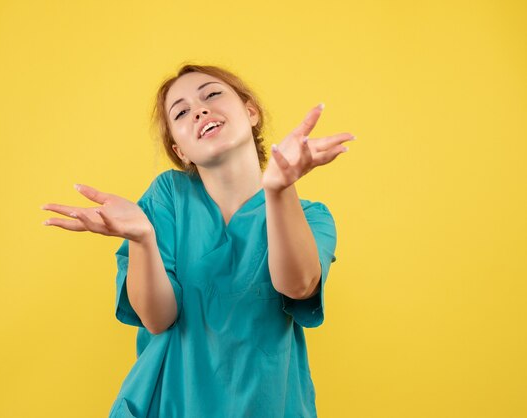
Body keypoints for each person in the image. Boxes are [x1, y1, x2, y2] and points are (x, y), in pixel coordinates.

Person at [41, 64, 355, 417]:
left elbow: (298, 285)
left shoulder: (312, 216)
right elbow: (158, 319)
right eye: (182, 112)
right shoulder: (167, 197)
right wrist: (143, 239)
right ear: (181, 152)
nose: (200, 110)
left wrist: (280, 188)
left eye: (212, 94)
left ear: (250, 112)